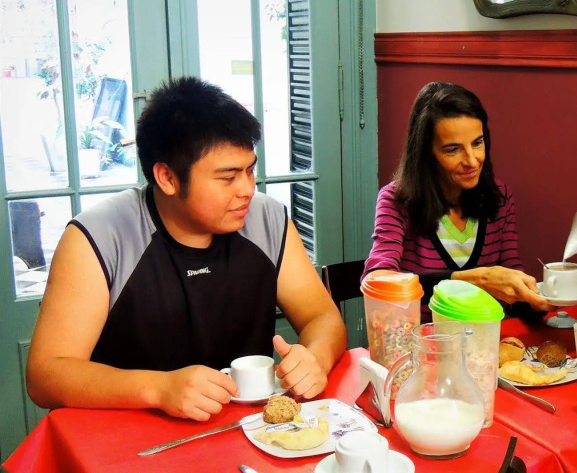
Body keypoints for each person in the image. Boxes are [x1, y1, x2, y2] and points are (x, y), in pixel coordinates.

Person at [27, 77, 347, 421]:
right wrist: (159, 388)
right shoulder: (100, 236)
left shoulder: (267, 219)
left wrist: (315, 357)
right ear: (167, 177)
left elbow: (322, 317)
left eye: (250, 170)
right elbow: (46, 375)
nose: (247, 189)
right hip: (133, 434)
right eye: (228, 177)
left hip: (248, 428)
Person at [364, 81, 549, 321]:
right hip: (425, 339)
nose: (472, 161)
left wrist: (538, 301)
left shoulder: (501, 197)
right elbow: (377, 280)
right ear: (426, 154)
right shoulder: (396, 200)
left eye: (477, 143)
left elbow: (510, 274)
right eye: (453, 150)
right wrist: (474, 279)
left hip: (487, 337)